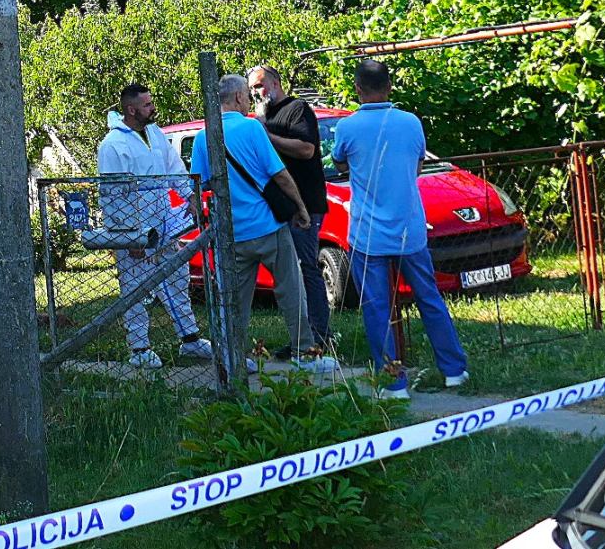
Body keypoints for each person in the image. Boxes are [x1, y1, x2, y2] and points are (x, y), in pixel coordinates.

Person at [331, 60, 469, 399]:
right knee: (429, 298)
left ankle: (394, 384)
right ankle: (454, 370)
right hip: (410, 229)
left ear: (357, 89)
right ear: (390, 86)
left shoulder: (347, 127)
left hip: (367, 235)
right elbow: (417, 166)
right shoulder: (411, 122)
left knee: (377, 308)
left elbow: (339, 162)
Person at [190, 75, 336, 373]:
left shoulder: (204, 136)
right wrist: (300, 208)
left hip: (233, 232)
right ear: (238, 98)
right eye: (246, 94)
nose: (249, 100)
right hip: (268, 226)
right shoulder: (252, 127)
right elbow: (279, 173)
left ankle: (232, 358)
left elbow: (199, 184)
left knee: (235, 300)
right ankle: (305, 353)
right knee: (291, 291)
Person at [98, 83, 222, 370]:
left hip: (164, 221)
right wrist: (128, 236)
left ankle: (189, 338)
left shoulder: (154, 133)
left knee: (177, 278)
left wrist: (189, 196)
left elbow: (174, 168)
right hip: (135, 228)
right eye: (147, 104)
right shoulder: (112, 144)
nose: (153, 108)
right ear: (131, 110)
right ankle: (139, 348)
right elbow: (111, 195)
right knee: (135, 288)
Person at [248, 65, 338, 355]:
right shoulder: (261, 118)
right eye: (251, 89)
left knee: (305, 266)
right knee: (289, 273)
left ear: (275, 82)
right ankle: (303, 337)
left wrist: (266, 135)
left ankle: (319, 336)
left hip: (305, 203)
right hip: (278, 205)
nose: (256, 92)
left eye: (260, 85)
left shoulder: (297, 109)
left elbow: (306, 149)